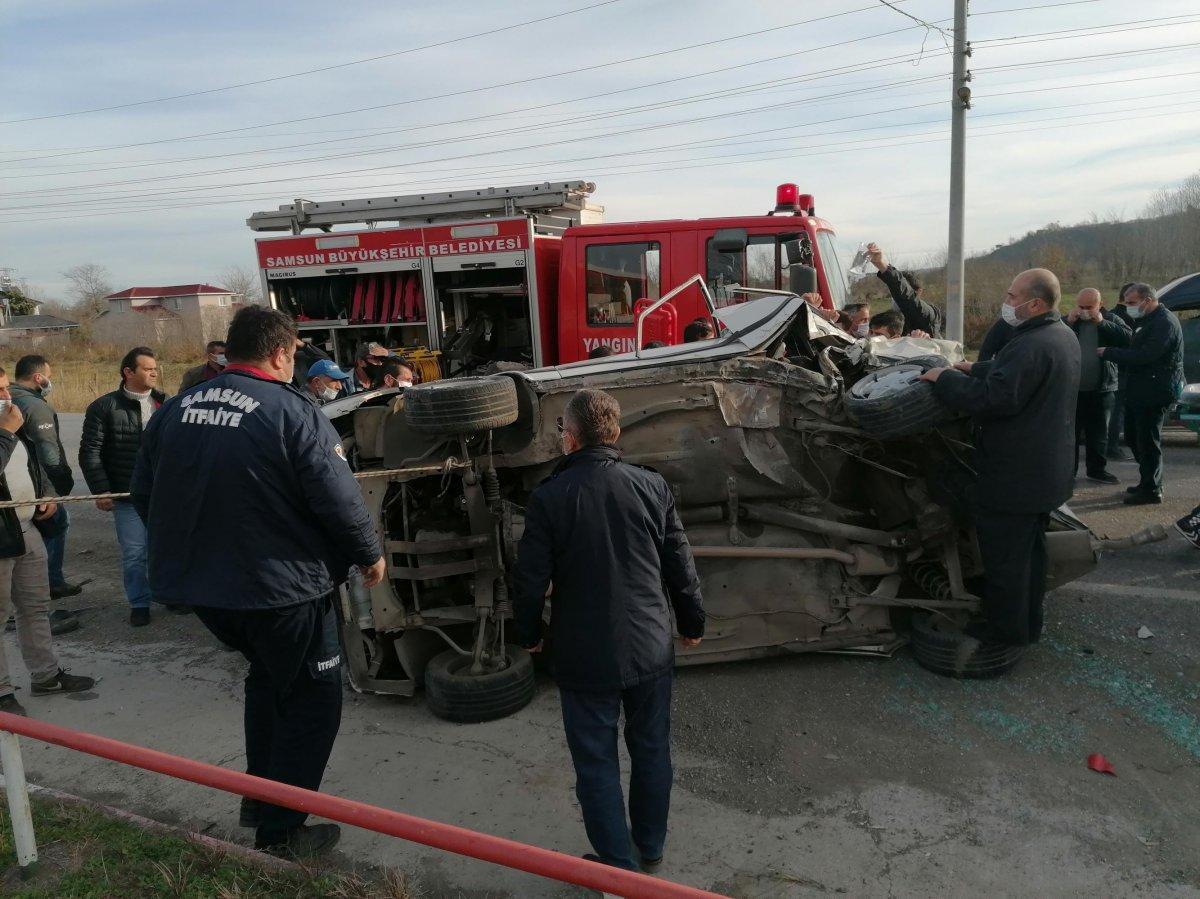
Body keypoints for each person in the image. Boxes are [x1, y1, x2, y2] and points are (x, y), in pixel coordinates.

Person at [131, 306, 386, 859]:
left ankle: (257, 798)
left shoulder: (175, 410)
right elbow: (338, 499)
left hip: (205, 592)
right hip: (283, 591)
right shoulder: (291, 411)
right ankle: (283, 832)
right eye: (294, 354)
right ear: (279, 353)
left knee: (268, 681)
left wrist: (193, 551)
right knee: (314, 698)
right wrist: (369, 554)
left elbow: (145, 495)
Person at [514, 388, 705, 872]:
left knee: (596, 763)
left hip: (584, 654)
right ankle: (651, 846)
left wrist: (528, 632)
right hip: (649, 648)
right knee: (651, 749)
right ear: (615, 434)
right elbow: (679, 564)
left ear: (570, 438)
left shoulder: (549, 497)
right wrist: (691, 622)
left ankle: (617, 866)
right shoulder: (650, 486)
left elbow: (531, 577)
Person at [919, 269, 1079, 649]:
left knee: (1006, 561)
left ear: (1035, 304)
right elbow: (1018, 375)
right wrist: (974, 367)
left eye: (1011, 297)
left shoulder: (1029, 344)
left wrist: (944, 379)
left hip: (1015, 478)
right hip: (1046, 472)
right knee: (1031, 557)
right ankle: (1027, 625)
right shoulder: (1059, 336)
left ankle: (1002, 636)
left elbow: (993, 399)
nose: (1006, 304)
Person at [1, 369, 96, 715]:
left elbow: (31, 465)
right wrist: (5, 433)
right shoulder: (7, 428)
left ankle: (46, 676)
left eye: (5, 387)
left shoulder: (12, 425)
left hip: (27, 530)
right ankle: (2, 693)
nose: (6, 396)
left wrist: (45, 494)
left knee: (35, 608)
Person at [79, 347, 164, 627]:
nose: (154, 372)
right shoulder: (104, 407)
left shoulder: (165, 404)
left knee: (165, 547)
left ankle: (170, 594)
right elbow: (90, 452)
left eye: (155, 368)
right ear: (128, 372)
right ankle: (139, 602)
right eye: (147, 368)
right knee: (135, 552)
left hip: (162, 494)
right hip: (126, 495)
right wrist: (101, 489)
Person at [1098, 283, 1184, 505]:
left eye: (1132, 303)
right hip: (1141, 389)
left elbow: (1145, 355)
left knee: (1147, 440)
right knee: (1135, 437)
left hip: (1155, 391)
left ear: (1147, 300)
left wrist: (1110, 353)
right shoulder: (1146, 320)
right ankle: (1148, 480)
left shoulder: (1164, 323)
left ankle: (1152, 489)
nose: (1129, 308)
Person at [10, 355, 82, 600]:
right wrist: (55, 488)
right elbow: (47, 452)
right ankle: (50, 582)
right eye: (48, 376)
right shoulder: (36, 406)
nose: (50, 381)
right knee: (57, 523)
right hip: (38, 486)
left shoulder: (9, 399)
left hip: (16, 485)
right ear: (38, 377)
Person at [1067, 289, 1131, 485]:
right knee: (1070, 435)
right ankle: (1068, 473)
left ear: (1100, 304)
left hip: (1102, 388)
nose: (1085, 311)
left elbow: (1128, 339)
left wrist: (1102, 323)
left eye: (1089, 307)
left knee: (1099, 434)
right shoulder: (1069, 321)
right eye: (1081, 306)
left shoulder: (1112, 319)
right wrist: (1067, 322)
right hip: (1072, 391)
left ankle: (1097, 470)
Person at [866, 243, 944, 337]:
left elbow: (906, 297)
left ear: (918, 291)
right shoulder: (892, 318)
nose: (896, 299)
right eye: (893, 294)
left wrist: (882, 265)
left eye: (897, 293)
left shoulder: (928, 315)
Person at [1105, 282, 1138, 462]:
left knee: (1114, 410)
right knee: (1117, 411)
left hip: (1112, 369)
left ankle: (1110, 445)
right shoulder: (1127, 318)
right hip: (1123, 370)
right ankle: (1112, 447)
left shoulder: (1111, 315)